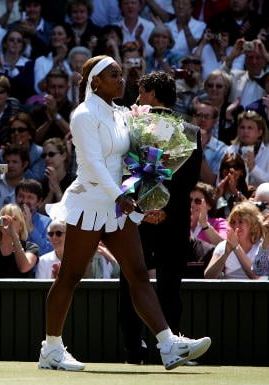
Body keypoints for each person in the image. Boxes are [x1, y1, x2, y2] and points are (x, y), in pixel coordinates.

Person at [38, 55, 210, 372]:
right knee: (70, 277)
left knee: (138, 275)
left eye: (121, 75)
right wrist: (121, 195)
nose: (122, 80)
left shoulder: (120, 113)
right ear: (96, 82)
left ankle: (168, 344)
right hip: (90, 202)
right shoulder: (83, 115)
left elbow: (132, 154)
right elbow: (92, 164)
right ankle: (51, 348)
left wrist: (160, 156)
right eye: (114, 75)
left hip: (116, 206)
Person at [118, 70, 203, 365]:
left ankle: (133, 350)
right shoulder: (189, 129)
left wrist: (144, 210)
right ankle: (171, 346)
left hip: (139, 218)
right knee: (169, 285)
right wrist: (164, 210)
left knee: (132, 281)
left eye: (142, 93)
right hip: (172, 219)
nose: (139, 98)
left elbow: (126, 169)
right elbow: (188, 180)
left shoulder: (132, 125)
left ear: (153, 95)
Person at [204, 201, 264, 279]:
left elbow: (256, 276)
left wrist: (236, 247)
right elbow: (208, 277)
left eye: (240, 222)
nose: (236, 226)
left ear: (252, 224)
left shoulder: (263, 246)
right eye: (233, 222)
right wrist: (225, 253)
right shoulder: (223, 246)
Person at [225, 110, 269, 188]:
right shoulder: (230, 150)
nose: (245, 131)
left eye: (250, 128)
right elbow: (220, 179)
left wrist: (252, 167)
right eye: (242, 127)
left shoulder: (267, 151)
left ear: (260, 132)